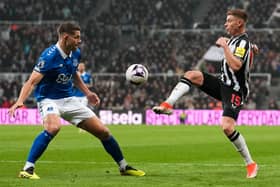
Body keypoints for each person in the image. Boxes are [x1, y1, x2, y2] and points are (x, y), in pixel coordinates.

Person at [8, 22, 145, 179]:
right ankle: (28, 169)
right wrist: (20, 100)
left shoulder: (76, 53)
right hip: (48, 100)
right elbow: (31, 82)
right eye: (76, 37)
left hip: (69, 99)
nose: (80, 40)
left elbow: (73, 74)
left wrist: (87, 93)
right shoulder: (49, 56)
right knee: (53, 128)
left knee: (104, 132)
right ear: (66, 37)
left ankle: (124, 166)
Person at [152, 9, 258, 178]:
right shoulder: (236, 41)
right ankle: (167, 105)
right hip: (222, 83)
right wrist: (250, 48)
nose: (225, 24)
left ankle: (250, 164)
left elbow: (236, 66)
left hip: (235, 90)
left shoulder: (241, 42)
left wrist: (224, 46)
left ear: (239, 23)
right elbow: (247, 52)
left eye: (229, 20)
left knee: (227, 127)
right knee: (191, 75)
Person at [73, 62, 93, 133]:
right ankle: (80, 125)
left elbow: (91, 85)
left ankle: (83, 127)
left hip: (84, 96)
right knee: (77, 111)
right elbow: (72, 84)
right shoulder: (75, 74)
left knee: (83, 110)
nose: (80, 67)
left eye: (82, 66)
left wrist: (83, 86)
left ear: (84, 67)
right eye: (79, 66)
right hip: (75, 96)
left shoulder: (88, 75)